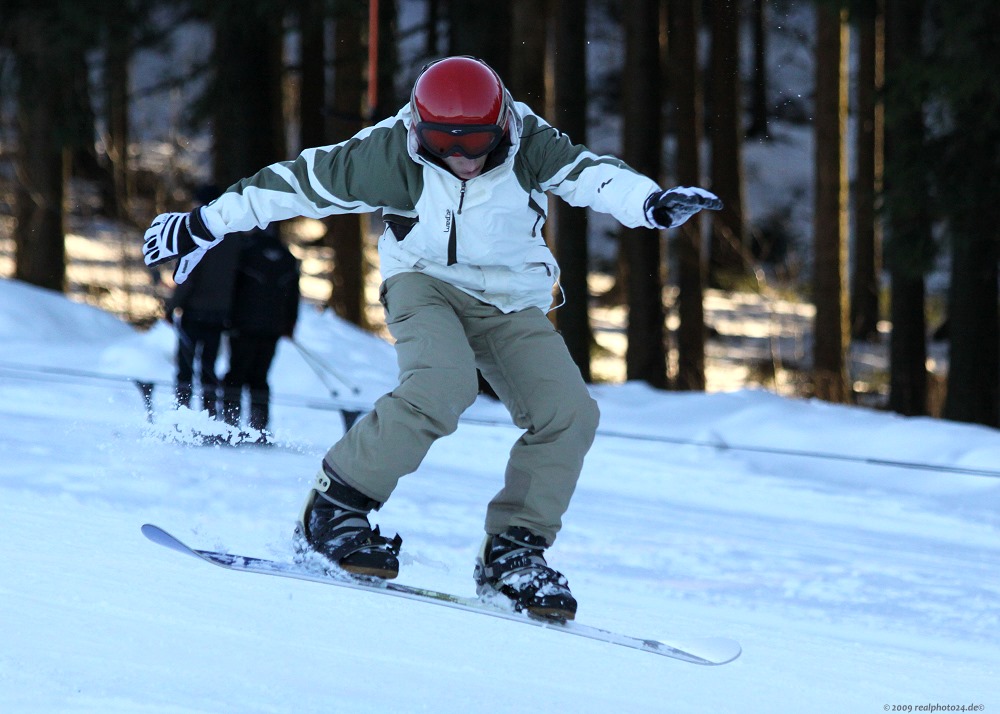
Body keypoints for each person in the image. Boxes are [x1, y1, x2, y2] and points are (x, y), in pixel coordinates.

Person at [142, 56, 721, 621]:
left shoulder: (528, 141)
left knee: (567, 413)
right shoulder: (387, 153)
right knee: (440, 388)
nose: (464, 158)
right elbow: (295, 183)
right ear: (420, 129)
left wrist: (649, 201)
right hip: (424, 283)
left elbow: (592, 174)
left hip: (510, 300)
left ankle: (513, 551)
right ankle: (336, 508)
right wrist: (203, 223)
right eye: (446, 145)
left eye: (478, 143)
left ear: (502, 128)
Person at [163, 184, 242, 418]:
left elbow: (187, 278)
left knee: (186, 368)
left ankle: (182, 414)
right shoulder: (232, 238)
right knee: (209, 367)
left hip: (194, 312)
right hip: (220, 313)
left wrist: (171, 306)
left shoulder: (198, 236)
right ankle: (209, 415)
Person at [222, 225, 300, 442]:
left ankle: (229, 425)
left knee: (235, 375)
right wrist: (289, 324)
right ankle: (259, 428)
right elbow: (294, 296)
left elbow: (233, 289)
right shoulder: (287, 257)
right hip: (273, 329)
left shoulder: (246, 253)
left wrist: (228, 318)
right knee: (260, 378)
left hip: (242, 327)